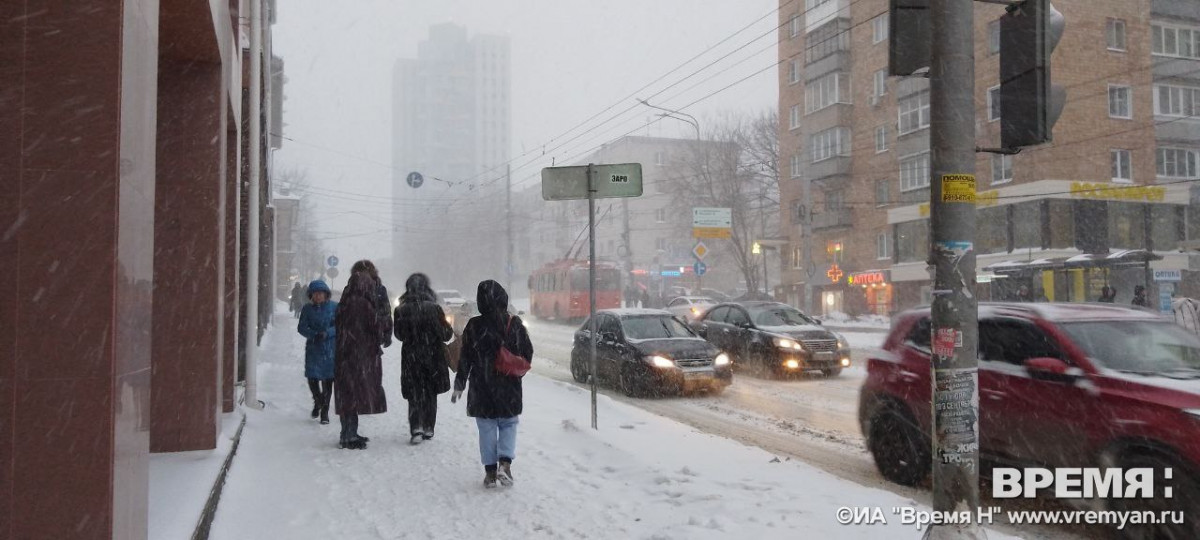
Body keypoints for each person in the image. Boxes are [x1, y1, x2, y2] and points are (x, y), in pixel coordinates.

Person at [452, 280, 533, 488]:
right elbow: (527, 354)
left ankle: (489, 472)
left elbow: (465, 358)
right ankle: (505, 463)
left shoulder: (474, 326)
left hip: (482, 386)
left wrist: (460, 382)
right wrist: (512, 372)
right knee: (508, 424)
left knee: (486, 428)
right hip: (509, 386)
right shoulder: (514, 324)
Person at [393, 273, 454, 445]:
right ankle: (429, 427)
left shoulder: (401, 310)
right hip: (433, 358)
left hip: (411, 359)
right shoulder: (435, 308)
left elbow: (399, 335)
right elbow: (446, 334)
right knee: (430, 393)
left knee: (414, 394)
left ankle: (416, 428)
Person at [333, 271, 389, 449]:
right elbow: (375, 327)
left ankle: (348, 432)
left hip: (344, 355)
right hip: (358, 357)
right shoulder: (363, 304)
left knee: (347, 396)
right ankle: (348, 436)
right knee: (354, 395)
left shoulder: (345, 301)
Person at [297, 280, 336, 424]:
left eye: (320, 293)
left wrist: (328, 333)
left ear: (326, 294)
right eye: (315, 294)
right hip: (314, 348)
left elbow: (340, 325)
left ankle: (324, 412)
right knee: (312, 378)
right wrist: (313, 334)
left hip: (330, 349)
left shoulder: (334, 307)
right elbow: (301, 327)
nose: (318, 296)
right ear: (311, 295)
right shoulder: (307, 309)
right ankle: (317, 400)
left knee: (328, 380)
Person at [346, 260, 394, 349]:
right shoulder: (351, 288)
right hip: (354, 335)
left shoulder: (379, 289)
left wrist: (387, 332)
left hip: (372, 334)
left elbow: (386, 312)